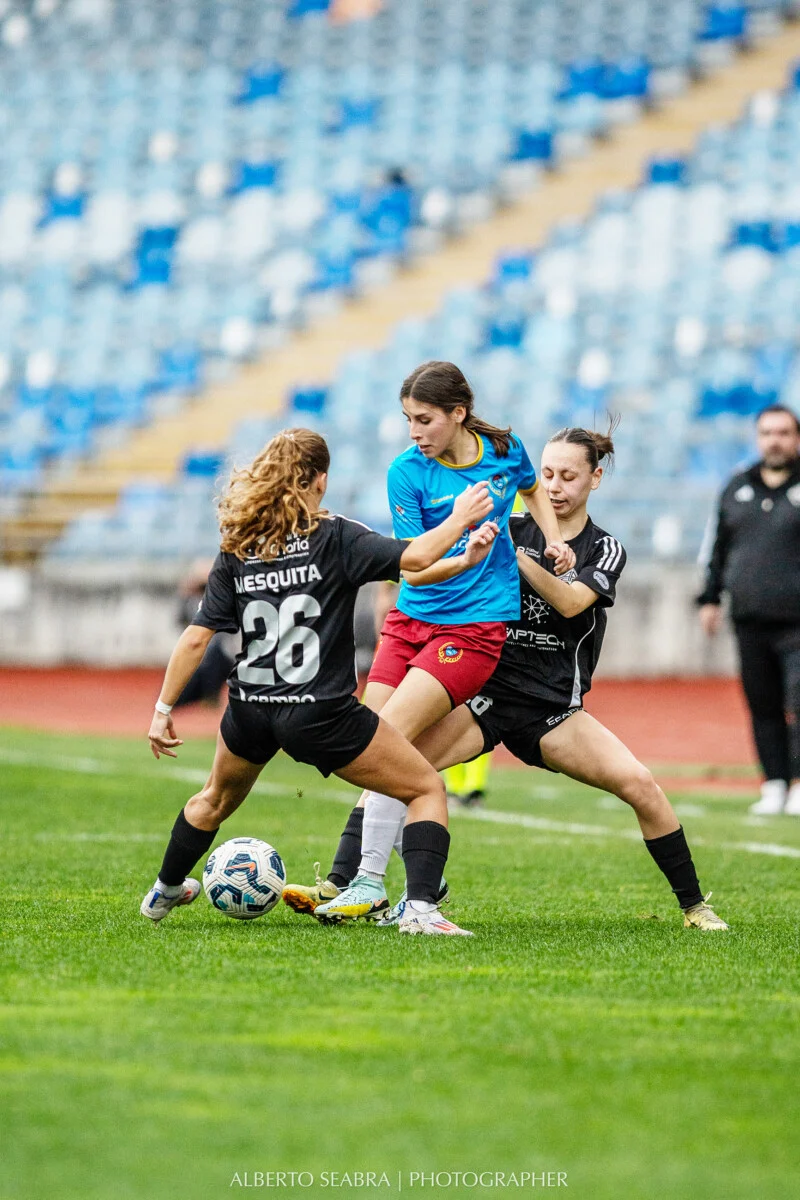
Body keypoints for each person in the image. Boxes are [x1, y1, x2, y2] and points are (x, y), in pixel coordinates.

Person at [290, 426, 730, 932]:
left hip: (551, 708)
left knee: (640, 785)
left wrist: (517, 561)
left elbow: (570, 602)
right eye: (546, 474)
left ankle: (695, 905)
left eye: (569, 475)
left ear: (596, 478)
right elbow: (436, 566)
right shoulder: (510, 525)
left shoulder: (604, 547)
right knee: (395, 762)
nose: (556, 486)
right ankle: (344, 884)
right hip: (484, 695)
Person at [140, 428, 498, 936]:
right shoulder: (334, 536)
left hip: (250, 708)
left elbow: (197, 638)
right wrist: (460, 520)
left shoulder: (240, 546)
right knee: (423, 786)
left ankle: (165, 889)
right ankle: (420, 911)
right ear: (320, 480)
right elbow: (412, 559)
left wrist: (162, 709)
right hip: (318, 711)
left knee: (213, 798)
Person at [284, 360, 575, 925]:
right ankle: (399, 878)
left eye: (424, 420)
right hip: (411, 621)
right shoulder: (406, 472)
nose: (413, 431)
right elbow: (412, 571)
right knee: (370, 752)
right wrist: (463, 555)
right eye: (407, 419)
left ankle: (368, 883)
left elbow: (533, 489)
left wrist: (556, 541)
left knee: (388, 740)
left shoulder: (504, 450)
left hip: (473, 628)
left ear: (458, 414)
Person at [697, 403, 800, 816]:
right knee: (763, 704)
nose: (774, 440)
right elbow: (717, 547)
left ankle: (798, 784)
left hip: (797, 621)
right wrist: (709, 597)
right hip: (750, 619)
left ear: (795, 438)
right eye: (767, 433)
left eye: (783, 432)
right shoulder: (736, 486)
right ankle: (774, 782)